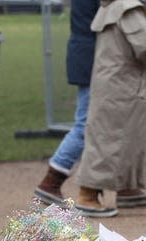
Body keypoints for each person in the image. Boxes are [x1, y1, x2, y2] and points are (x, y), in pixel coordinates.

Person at [34, 0, 146, 211]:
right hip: (98, 60)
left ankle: (124, 187)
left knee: (117, 125)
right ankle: (52, 182)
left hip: (96, 58)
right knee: (89, 125)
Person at [73, 0, 146, 217]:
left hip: (116, 84)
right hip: (122, 88)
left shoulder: (113, 6)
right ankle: (87, 196)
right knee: (109, 143)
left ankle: (128, 189)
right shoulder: (127, 8)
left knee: (120, 141)